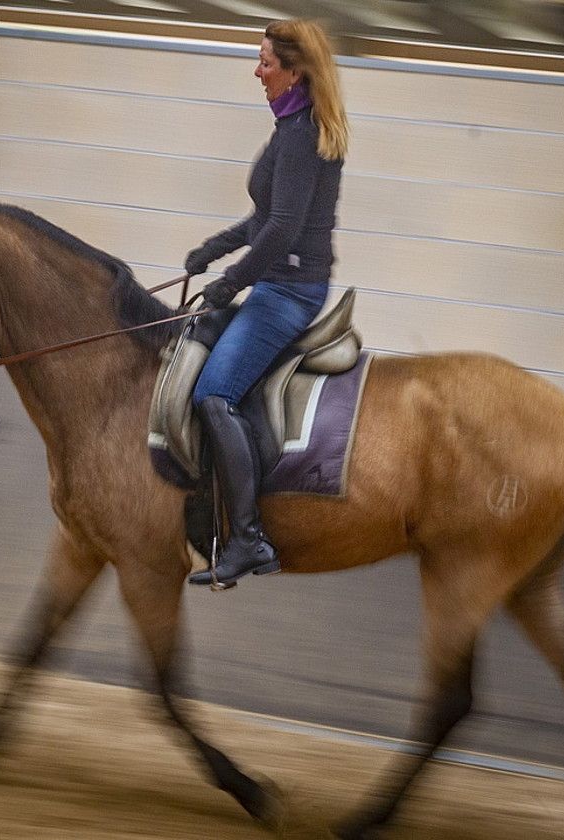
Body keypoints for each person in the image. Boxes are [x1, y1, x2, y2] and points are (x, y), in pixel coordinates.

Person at [184, 18, 349, 588]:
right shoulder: (291, 128)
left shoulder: (301, 133)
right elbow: (263, 220)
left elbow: (282, 228)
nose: (257, 71)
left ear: (294, 70)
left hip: (290, 291)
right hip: (278, 280)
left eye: (265, 63)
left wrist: (231, 282)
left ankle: (248, 538)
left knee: (213, 393)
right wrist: (215, 248)